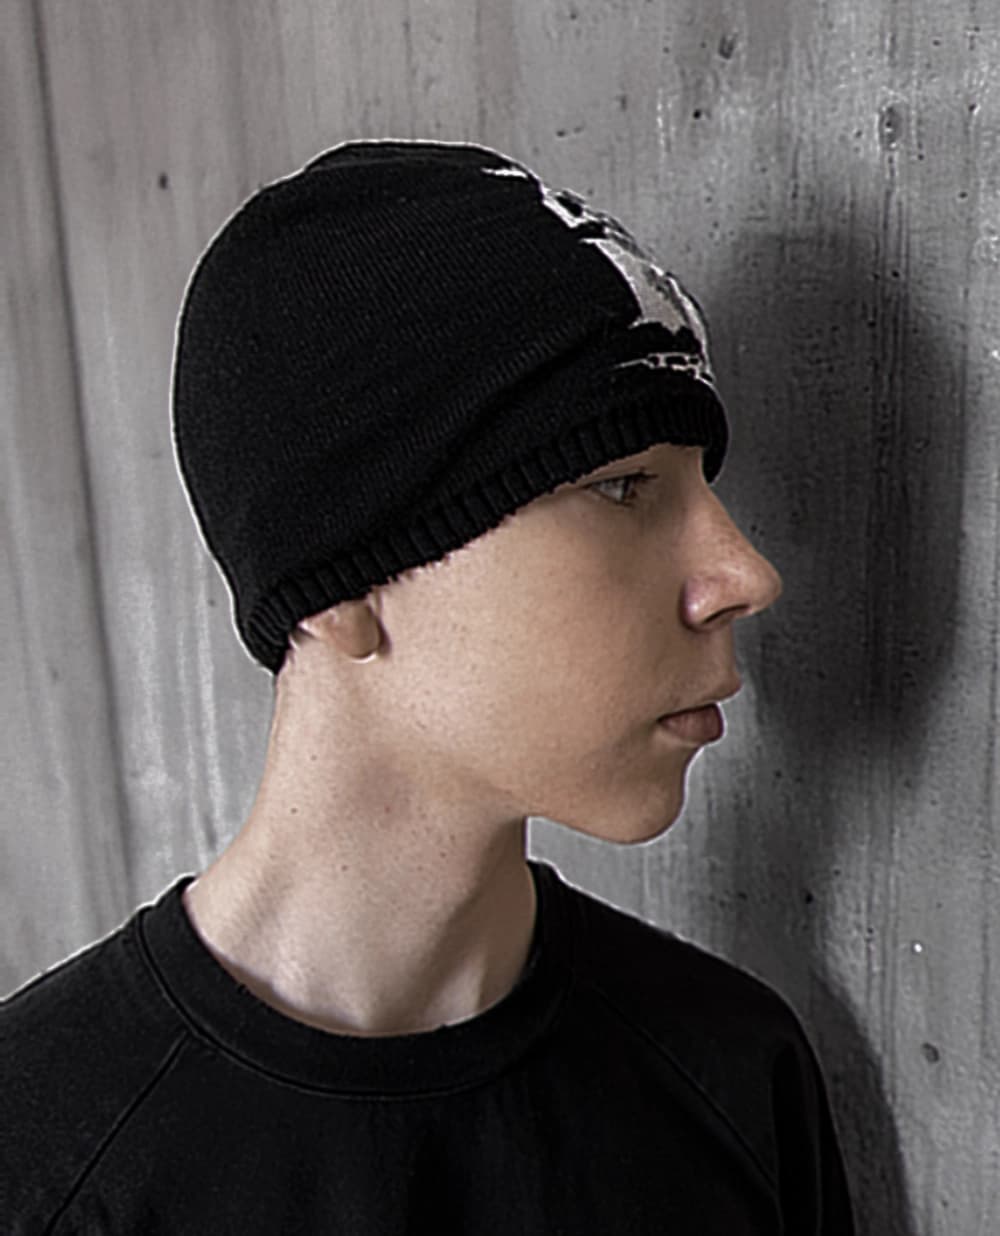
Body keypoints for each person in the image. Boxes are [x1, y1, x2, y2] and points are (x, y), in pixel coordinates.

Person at [1, 139, 856, 1232]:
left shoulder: (735, 1074)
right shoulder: (38, 1160)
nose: (745, 574)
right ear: (342, 586)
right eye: (621, 486)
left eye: (704, 487)